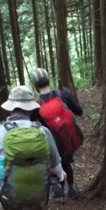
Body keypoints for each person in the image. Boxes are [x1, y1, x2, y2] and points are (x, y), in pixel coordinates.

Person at [30, 68, 83, 198]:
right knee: (66, 162)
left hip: (52, 140)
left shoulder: (36, 104)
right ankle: (71, 188)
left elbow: (31, 123)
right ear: (48, 80)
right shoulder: (63, 94)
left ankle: (58, 187)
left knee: (57, 162)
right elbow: (78, 110)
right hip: (69, 135)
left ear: (35, 85)